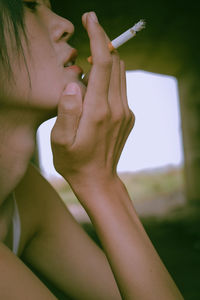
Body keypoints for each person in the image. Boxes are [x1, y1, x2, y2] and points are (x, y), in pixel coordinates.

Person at [0, 0, 184, 299]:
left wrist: (100, 180)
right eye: (29, 5)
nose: (66, 25)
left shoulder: (24, 194)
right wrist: (99, 183)